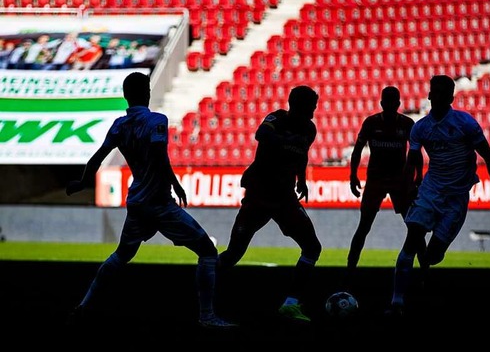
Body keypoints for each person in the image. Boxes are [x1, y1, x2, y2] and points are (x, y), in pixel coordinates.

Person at [65, 72, 235, 329]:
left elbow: (98, 157)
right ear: (147, 92)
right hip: (160, 204)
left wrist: (82, 182)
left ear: (125, 94)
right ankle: (207, 315)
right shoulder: (157, 120)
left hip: (137, 203)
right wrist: (175, 183)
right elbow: (158, 155)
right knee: (208, 253)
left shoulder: (119, 125)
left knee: (121, 255)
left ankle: (84, 305)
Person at [386, 75, 490, 317]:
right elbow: (413, 158)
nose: (437, 96)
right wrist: (408, 184)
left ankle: (424, 273)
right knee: (412, 239)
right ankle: (397, 302)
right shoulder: (420, 128)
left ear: (451, 97)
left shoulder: (465, 124)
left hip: (456, 197)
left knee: (433, 255)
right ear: (429, 95)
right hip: (430, 191)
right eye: (434, 92)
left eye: (443, 92)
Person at [217, 85, 322, 323]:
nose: (314, 112)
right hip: (259, 195)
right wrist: (287, 140)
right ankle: (204, 286)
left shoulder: (309, 129)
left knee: (312, 248)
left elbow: (302, 154)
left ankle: (291, 304)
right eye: (311, 108)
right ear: (298, 106)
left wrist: (302, 180)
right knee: (234, 253)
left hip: (285, 198)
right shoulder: (276, 118)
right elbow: (261, 135)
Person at [345, 86, 427, 288]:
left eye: (393, 103)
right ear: (382, 104)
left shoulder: (408, 124)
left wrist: (418, 177)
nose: (390, 106)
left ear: (398, 105)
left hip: (400, 181)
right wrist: (353, 175)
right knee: (364, 226)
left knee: (414, 227)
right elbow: (357, 150)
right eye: (387, 103)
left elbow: (416, 152)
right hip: (376, 181)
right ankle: (349, 272)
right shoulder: (371, 123)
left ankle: (425, 272)